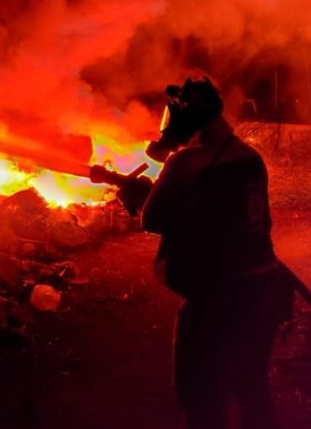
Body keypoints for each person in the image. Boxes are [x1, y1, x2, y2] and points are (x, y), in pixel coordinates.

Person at [119, 77, 294, 429]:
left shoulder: (188, 163)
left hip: (216, 300)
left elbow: (153, 220)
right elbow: (216, 214)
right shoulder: (249, 157)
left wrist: (140, 198)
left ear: (186, 120)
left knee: (200, 399)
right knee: (252, 389)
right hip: (263, 289)